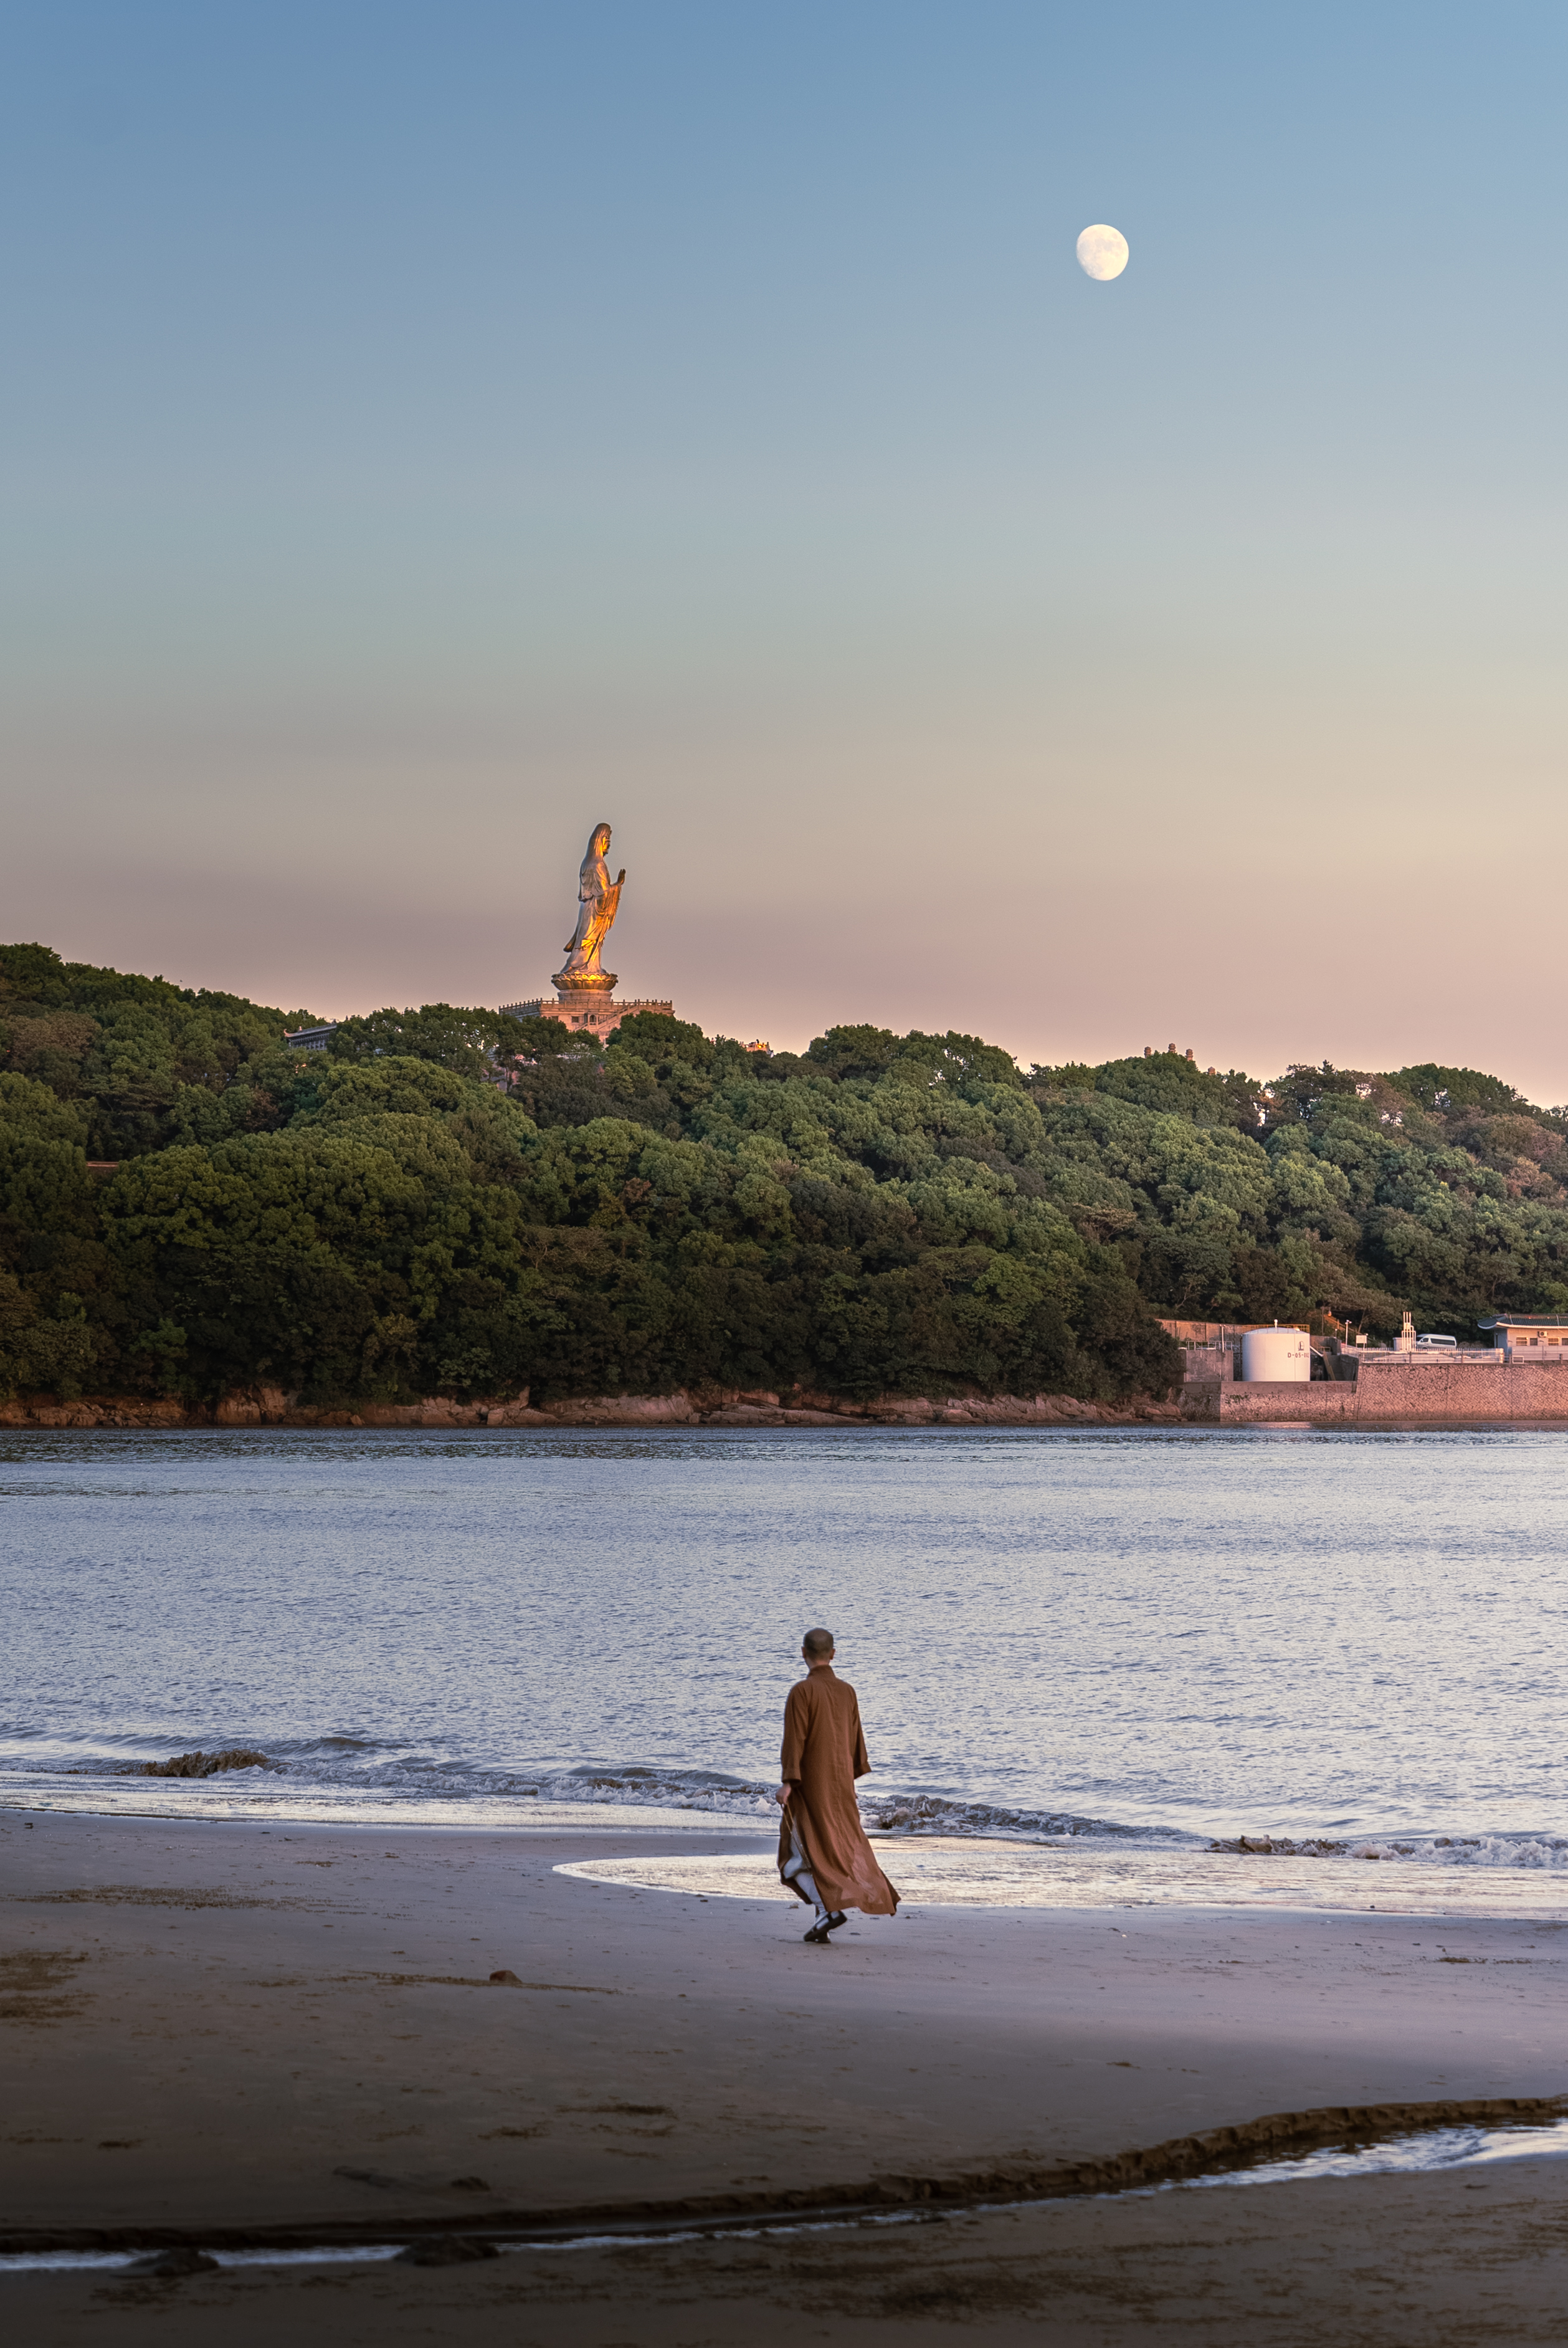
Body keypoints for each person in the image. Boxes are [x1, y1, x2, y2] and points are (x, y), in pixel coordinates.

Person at [775, 1628, 899, 1945]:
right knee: (837, 1848)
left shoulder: (801, 1692)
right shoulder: (848, 1692)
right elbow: (856, 1743)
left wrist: (788, 1783)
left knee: (795, 1856)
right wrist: (847, 1779)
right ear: (833, 1654)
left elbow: (795, 1742)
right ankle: (824, 1914)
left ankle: (826, 1907)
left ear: (803, 1653)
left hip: (810, 1786)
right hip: (841, 1785)